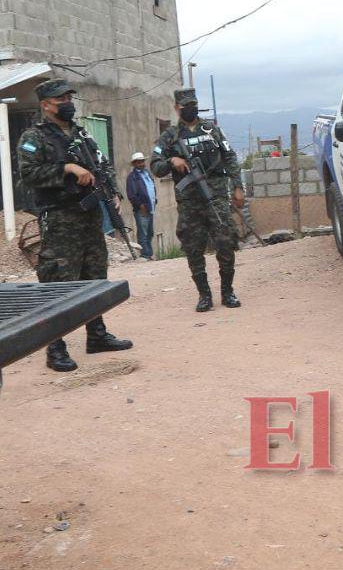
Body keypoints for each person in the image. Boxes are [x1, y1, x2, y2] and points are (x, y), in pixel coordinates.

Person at [16, 79, 134, 372]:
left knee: (94, 276)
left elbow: (102, 164)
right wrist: (66, 168)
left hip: (89, 218)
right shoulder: (34, 137)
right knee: (59, 283)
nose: (68, 102)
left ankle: (97, 336)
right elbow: (29, 174)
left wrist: (113, 193)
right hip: (60, 220)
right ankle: (54, 349)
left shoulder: (81, 133)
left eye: (70, 97)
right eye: (62, 99)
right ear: (46, 105)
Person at [151, 88, 245, 312]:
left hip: (216, 196)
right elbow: (155, 166)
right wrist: (172, 160)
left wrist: (238, 186)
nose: (190, 108)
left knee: (225, 242)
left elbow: (229, 156)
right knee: (193, 248)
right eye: (185, 106)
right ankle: (204, 295)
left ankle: (227, 292)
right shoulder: (170, 137)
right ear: (177, 108)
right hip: (189, 200)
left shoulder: (211, 130)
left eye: (193, 104)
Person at [125, 151, 157, 260]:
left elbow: (151, 188)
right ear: (134, 164)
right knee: (143, 234)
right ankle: (145, 255)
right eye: (138, 162)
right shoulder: (132, 177)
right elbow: (131, 195)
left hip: (150, 208)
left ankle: (149, 254)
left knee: (149, 233)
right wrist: (140, 205)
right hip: (142, 209)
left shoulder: (147, 173)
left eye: (142, 161)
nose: (141, 164)